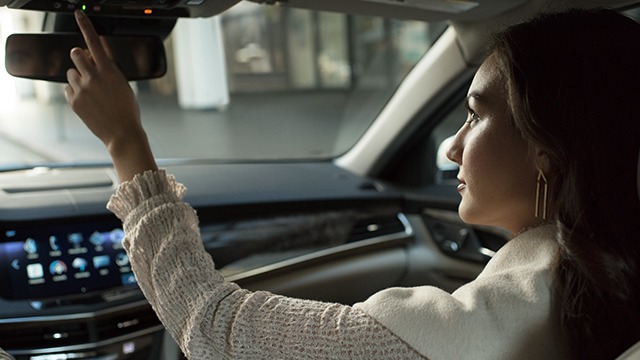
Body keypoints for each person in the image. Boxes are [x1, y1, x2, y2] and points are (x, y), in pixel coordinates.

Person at [2, 7, 638, 359]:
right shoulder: (602, 286)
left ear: (548, 154)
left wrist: (124, 142)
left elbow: (212, 324)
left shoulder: (475, 329)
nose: (449, 145)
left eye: (473, 115)